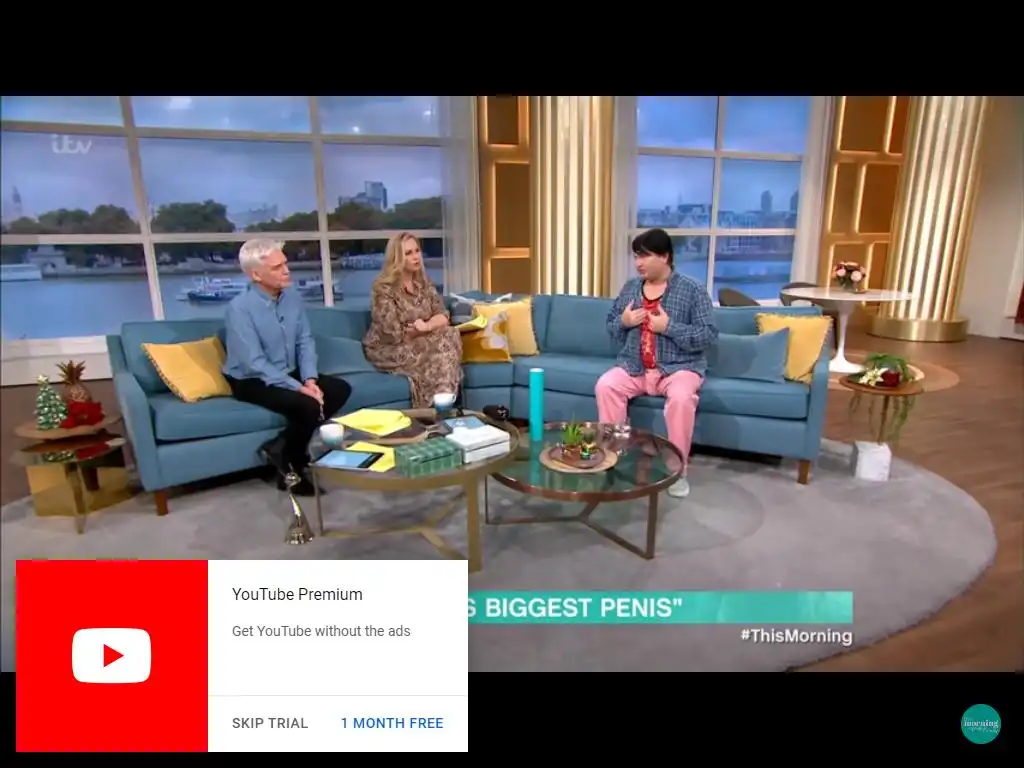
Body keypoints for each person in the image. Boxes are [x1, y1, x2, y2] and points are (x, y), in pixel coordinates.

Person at [595, 228, 718, 499]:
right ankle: (612, 458)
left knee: (682, 399)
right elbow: (611, 326)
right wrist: (624, 322)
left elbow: (708, 336)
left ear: (665, 257)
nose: (638, 263)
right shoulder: (630, 288)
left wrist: (669, 327)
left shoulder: (693, 290)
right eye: (636, 256)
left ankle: (677, 471)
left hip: (679, 368)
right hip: (634, 367)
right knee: (606, 385)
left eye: (644, 256)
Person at [223, 239, 352, 495]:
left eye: (285, 263)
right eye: (277, 267)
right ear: (256, 275)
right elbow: (255, 362)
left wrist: (310, 380)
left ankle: (280, 446)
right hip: (251, 379)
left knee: (339, 389)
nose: (286, 270)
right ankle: (292, 466)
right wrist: (299, 388)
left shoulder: (292, 297)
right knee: (308, 405)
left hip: (288, 370)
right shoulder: (239, 309)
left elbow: (305, 341)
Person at [363, 232, 463, 408]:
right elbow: (391, 334)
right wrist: (419, 332)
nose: (416, 257)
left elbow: (443, 315)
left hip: (419, 338)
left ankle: (441, 403)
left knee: (451, 334)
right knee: (443, 349)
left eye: (417, 251)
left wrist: (426, 326)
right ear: (397, 258)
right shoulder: (382, 289)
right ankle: (440, 406)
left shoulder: (424, 283)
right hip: (388, 349)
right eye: (408, 253)